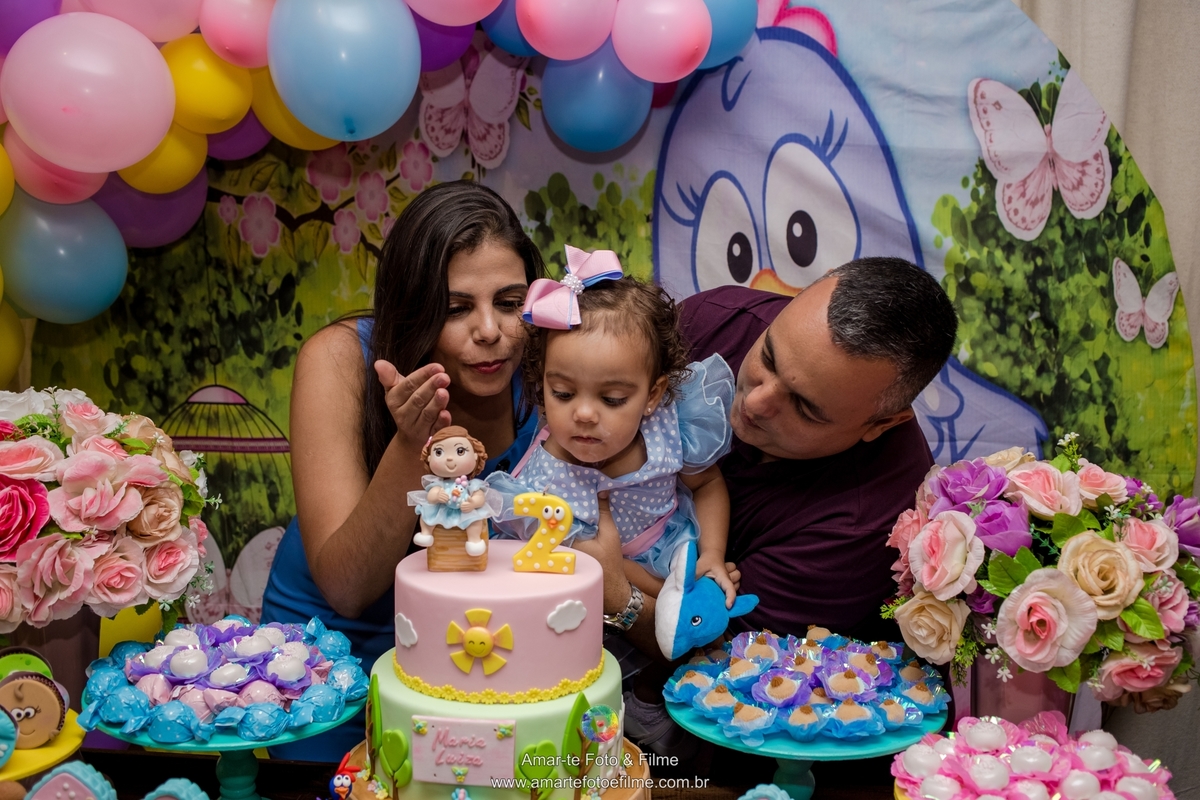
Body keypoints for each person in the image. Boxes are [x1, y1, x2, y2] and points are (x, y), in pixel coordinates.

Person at [613, 256, 958, 755]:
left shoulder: (870, 519)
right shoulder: (717, 320)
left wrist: (610, 588)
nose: (755, 402)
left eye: (805, 407)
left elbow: (712, 663)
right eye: (768, 358)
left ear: (880, 425)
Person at [259, 181, 546, 759]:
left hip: (478, 661)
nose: (490, 330)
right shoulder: (341, 359)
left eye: (510, 303)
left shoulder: (549, 373)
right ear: (413, 308)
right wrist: (411, 446)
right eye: (456, 308)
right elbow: (347, 586)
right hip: (334, 668)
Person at [490, 253, 738, 610]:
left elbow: (709, 484)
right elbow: (601, 572)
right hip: (588, 605)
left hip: (673, 554)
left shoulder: (670, 427)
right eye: (562, 393)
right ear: (541, 385)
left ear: (653, 395)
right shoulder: (536, 486)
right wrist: (676, 594)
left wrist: (712, 555)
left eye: (613, 398)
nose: (585, 414)